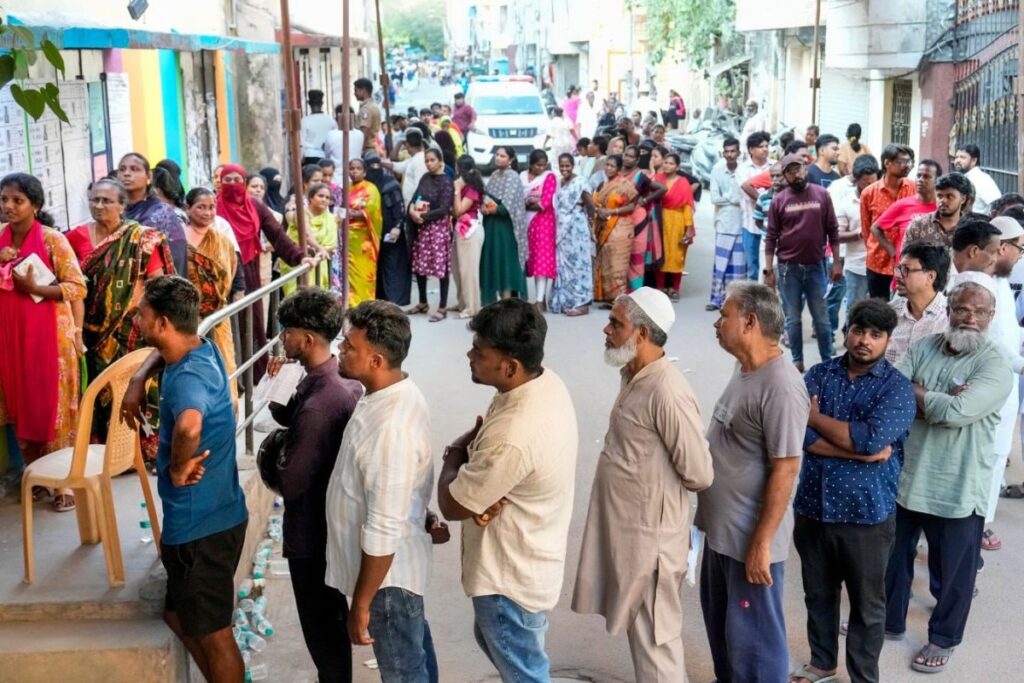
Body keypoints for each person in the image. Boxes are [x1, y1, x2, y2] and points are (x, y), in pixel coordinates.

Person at [572, 288, 713, 681]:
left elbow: (699, 473)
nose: (606, 329)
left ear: (643, 335)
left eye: (616, 323)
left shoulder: (667, 391)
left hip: (652, 541)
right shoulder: (634, 373)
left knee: (657, 644)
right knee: (643, 635)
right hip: (631, 534)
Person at [438, 299, 578, 683]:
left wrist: (453, 456)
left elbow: (452, 504)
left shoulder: (514, 433)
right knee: (507, 653)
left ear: (511, 366)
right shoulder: (544, 382)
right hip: (525, 565)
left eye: (479, 352)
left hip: (509, 581)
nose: (470, 355)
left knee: (525, 673)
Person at [886, 281, 1012, 673]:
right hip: (909, 477)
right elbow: (893, 394)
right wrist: (945, 400)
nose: (970, 318)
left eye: (979, 312)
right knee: (892, 556)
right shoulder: (924, 347)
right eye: (962, 309)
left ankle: (944, 638)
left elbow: (959, 412)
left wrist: (923, 397)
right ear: (949, 310)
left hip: (959, 484)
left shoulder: (995, 363)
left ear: (991, 317)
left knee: (955, 569)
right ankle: (887, 622)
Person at [790, 300, 916, 683]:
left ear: (887, 340)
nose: (864, 340)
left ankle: (863, 677)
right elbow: (800, 432)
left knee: (867, 605)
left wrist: (818, 420)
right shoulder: (819, 374)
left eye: (875, 335)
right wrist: (859, 454)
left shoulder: (897, 389)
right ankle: (822, 663)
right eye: (859, 330)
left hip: (867, 515)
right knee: (818, 594)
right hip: (814, 506)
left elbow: (872, 437)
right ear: (847, 330)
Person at [133, 276, 248, 683]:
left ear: (163, 323)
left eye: (142, 314)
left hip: (202, 529)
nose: (137, 318)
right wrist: (137, 379)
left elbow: (188, 426)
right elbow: (164, 355)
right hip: (219, 514)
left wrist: (180, 466)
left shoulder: (186, 380)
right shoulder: (201, 349)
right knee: (177, 615)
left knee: (216, 635)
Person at [325, 300, 443, 682]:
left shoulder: (392, 427)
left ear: (376, 360)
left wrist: (361, 604)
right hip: (389, 577)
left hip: (387, 584)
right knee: (414, 661)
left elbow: (383, 527)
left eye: (349, 346)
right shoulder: (384, 393)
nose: (339, 349)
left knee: (404, 672)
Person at [698, 282, 808, 683]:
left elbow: (786, 468)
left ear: (749, 322)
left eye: (723, 315)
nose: (716, 321)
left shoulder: (780, 386)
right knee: (724, 630)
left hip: (750, 540)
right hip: (722, 531)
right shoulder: (745, 367)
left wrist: (761, 544)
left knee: (755, 644)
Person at [265, 289, 363, 683]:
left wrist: (275, 458)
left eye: (286, 332)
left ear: (306, 339)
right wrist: (279, 384)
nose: (282, 339)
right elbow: (287, 413)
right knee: (329, 624)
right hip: (328, 527)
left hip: (313, 535)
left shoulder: (322, 402)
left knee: (324, 632)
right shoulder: (334, 378)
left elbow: (291, 481)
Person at [0, 173, 87, 512]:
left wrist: (37, 290)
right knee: (21, 405)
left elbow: (77, 287)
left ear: (34, 205)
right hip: (10, 339)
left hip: (51, 340)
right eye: (4, 199)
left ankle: (63, 484)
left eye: (17, 200)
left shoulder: (53, 241)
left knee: (55, 410)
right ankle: (37, 476)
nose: (8, 206)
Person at [72, 178, 173, 462]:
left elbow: (157, 281)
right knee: (101, 389)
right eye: (95, 200)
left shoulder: (139, 238)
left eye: (107, 201)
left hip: (132, 328)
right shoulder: (76, 236)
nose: (99, 205)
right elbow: (69, 281)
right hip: (93, 330)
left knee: (136, 384)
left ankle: (141, 450)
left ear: (121, 206)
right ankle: (107, 451)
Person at [215, 164, 311, 380]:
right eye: (227, 180)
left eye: (236, 180)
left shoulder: (256, 207)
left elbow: (277, 235)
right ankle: (228, 379)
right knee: (222, 327)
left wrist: (299, 256)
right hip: (218, 274)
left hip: (248, 272)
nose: (232, 185)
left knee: (251, 323)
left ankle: (252, 375)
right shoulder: (213, 207)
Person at [763, 153, 843, 372]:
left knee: (822, 319)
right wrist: (768, 270)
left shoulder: (822, 195)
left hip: (817, 267)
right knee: (793, 320)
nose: (795, 174)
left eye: (798, 169)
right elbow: (771, 237)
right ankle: (797, 361)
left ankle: (827, 361)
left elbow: (833, 231)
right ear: (785, 176)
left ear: (805, 169)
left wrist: (837, 263)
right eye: (789, 171)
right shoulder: (779, 200)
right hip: (788, 270)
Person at [978, 215, 1024, 552]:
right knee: (984, 458)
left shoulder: (1003, 283)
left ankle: (983, 520)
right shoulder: (981, 287)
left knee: (997, 457)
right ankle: (975, 525)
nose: (1022, 254)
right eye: (1019, 247)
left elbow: (1010, 332)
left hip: (1007, 387)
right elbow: (995, 343)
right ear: (1002, 246)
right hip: (988, 387)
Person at [181, 188, 240, 400]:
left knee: (223, 363)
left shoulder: (222, 240)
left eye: (211, 207)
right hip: (185, 316)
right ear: (187, 209)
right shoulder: (177, 240)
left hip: (217, 315)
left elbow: (230, 271)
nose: (207, 212)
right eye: (201, 207)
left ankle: (225, 411)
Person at [118, 152, 188, 276]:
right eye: (122, 169)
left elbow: (176, 258)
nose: (126, 173)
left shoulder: (162, 213)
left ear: (148, 176)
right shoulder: (114, 212)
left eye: (134, 169)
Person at [861, 144, 916, 297]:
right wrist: (879, 249)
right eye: (902, 162)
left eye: (910, 162)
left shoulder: (914, 189)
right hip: (877, 262)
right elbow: (867, 231)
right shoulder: (869, 193)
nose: (907, 166)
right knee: (879, 311)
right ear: (887, 163)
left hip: (906, 262)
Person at [870, 160, 942, 276]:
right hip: (904, 273)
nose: (920, 180)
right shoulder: (903, 205)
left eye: (927, 177)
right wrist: (893, 252)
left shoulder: (942, 208)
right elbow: (875, 228)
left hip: (932, 274)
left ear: (936, 181)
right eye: (918, 175)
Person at [407, 148, 455, 322]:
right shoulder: (425, 178)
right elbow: (415, 197)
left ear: (440, 161)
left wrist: (422, 216)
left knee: (441, 268)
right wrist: (412, 211)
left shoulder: (446, 181)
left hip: (437, 229)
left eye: (432, 160)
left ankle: (442, 307)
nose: (429, 163)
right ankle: (422, 302)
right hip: (422, 227)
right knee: (420, 265)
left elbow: (444, 209)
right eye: (426, 161)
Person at [886, 242, 951, 364]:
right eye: (898, 269)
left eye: (906, 269)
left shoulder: (950, 318)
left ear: (930, 276)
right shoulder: (889, 313)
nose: (898, 276)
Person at [480, 146, 529, 303]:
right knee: (493, 261)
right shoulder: (494, 175)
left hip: (506, 227)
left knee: (506, 263)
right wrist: (484, 206)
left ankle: (507, 301)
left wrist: (491, 210)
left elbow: (508, 206)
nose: (498, 158)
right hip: (491, 226)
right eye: (497, 155)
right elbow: (486, 196)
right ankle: (495, 301)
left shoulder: (513, 176)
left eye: (502, 156)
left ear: (511, 160)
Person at [833, 156, 881, 316]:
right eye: (866, 182)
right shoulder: (846, 204)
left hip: (882, 266)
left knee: (878, 310)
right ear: (857, 181)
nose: (870, 186)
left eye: (873, 182)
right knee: (855, 310)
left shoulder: (884, 201)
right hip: (857, 267)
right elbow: (836, 235)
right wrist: (859, 234)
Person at [549, 152, 595, 316]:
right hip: (562, 228)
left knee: (578, 265)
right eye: (562, 166)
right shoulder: (560, 182)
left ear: (573, 166)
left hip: (576, 227)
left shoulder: (580, 182)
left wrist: (589, 222)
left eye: (567, 166)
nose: (564, 169)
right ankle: (566, 300)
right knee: (563, 265)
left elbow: (591, 205)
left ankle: (581, 303)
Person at [365, 154, 412, 306]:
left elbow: (399, 208)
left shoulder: (390, 184)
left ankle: (395, 299)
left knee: (393, 265)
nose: (375, 170)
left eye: (378, 166)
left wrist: (397, 227)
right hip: (372, 234)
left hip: (391, 232)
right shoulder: (365, 187)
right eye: (371, 167)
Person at [593, 154, 639, 305]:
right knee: (606, 261)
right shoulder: (602, 184)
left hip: (620, 227)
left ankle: (618, 299)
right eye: (607, 165)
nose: (608, 168)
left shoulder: (624, 184)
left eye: (612, 166)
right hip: (604, 227)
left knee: (618, 263)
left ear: (619, 169)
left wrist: (612, 212)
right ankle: (607, 296)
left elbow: (632, 205)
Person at [708, 138, 745, 311]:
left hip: (742, 223)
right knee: (720, 264)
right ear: (723, 153)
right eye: (727, 151)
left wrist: (730, 199)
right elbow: (714, 197)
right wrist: (733, 199)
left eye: (733, 151)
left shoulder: (744, 170)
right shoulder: (717, 170)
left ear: (738, 152)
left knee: (738, 266)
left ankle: (736, 301)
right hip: (723, 223)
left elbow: (745, 197)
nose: (730, 155)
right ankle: (716, 298)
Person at [654, 152, 696, 301]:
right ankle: (660, 287)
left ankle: (675, 288)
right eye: (665, 162)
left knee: (677, 255)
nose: (667, 165)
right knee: (660, 253)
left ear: (677, 166)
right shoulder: (657, 179)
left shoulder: (683, 182)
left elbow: (687, 206)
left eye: (671, 163)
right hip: (660, 220)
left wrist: (689, 227)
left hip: (677, 221)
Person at [282, 182, 337, 294]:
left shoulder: (330, 218)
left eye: (327, 197)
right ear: (310, 198)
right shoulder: (301, 213)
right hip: (298, 261)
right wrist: (319, 248)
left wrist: (322, 250)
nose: (324, 200)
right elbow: (306, 234)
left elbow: (332, 244)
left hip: (319, 263)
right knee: (297, 296)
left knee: (317, 298)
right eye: (320, 196)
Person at [521, 150, 558, 310]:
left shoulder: (549, 177)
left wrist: (528, 204)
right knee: (532, 259)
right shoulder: (522, 176)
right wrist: (528, 203)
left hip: (543, 222)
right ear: (531, 163)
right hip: (525, 222)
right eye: (538, 165)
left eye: (543, 165)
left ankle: (540, 300)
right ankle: (534, 298)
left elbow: (546, 202)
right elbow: (518, 199)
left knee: (541, 261)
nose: (541, 168)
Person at [904, 171, 973, 253]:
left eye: (949, 196)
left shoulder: (970, 229)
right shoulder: (919, 225)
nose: (943, 201)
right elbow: (905, 259)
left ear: (963, 199)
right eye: (939, 196)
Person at [452, 155, 486, 319]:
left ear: (459, 169)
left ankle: (472, 308)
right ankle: (463, 303)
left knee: (468, 271)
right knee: (458, 270)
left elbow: (459, 210)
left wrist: (457, 190)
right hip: (461, 229)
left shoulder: (470, 189)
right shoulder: (467, 185)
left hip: (470, 230)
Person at [345, 160, 382, 306]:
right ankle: (352, 306)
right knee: (349, 276)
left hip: (364, 240)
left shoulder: (371, 189)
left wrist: (352, 213)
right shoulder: (345, 189)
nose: (354, 171)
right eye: (352, 168)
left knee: (364, 275)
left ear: (364, 172)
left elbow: (373, 213)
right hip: (348, 240)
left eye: (358, 168)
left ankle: (366, 306)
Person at [738, 131, 773, 282]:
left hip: (770, 227)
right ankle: (754, 302)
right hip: (751, 225)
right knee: (752, 267)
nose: (765, 149)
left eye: (766, 146)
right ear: (751, 149)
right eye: (760, 146)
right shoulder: (743, 169)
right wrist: (765, 201)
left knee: (769, 267)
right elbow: (747, 189)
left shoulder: (774, 167)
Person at [954, 144, 1002, 214]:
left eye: (962, 157)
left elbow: (997, 205)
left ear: (974, 160)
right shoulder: (961, 177)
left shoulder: (982, 180)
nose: (958, 160)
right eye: (956, 157)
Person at [390, 128, 428, 209]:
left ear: (407, 144)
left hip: (416, 207)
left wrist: (416, 206)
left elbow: (420, 186)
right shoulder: (414, 158)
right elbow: (398, 166)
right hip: (411, 206)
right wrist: (380, 162)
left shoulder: (419, 159)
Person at [301, 89, 337, 165]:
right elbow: (334, 140)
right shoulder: (330, 120)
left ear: (309, 104)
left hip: (310, 156)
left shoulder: (304, 121)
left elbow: (301, 142)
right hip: (326, 156)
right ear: (322, 103)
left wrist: (301, 158)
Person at [324, 105, 365, 169]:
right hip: (355, 172)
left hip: (336, 172)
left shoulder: (331, 134)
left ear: (337, 118)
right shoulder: (360, 134)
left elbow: (327, 154)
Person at [355, 78, 382, 156]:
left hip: (367, 149)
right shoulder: (373, 106)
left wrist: (360, 150)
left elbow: (364, 132)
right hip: (372, 147)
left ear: (363, 91)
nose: (354, 93)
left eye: (356, 90)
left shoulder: (366, 109)